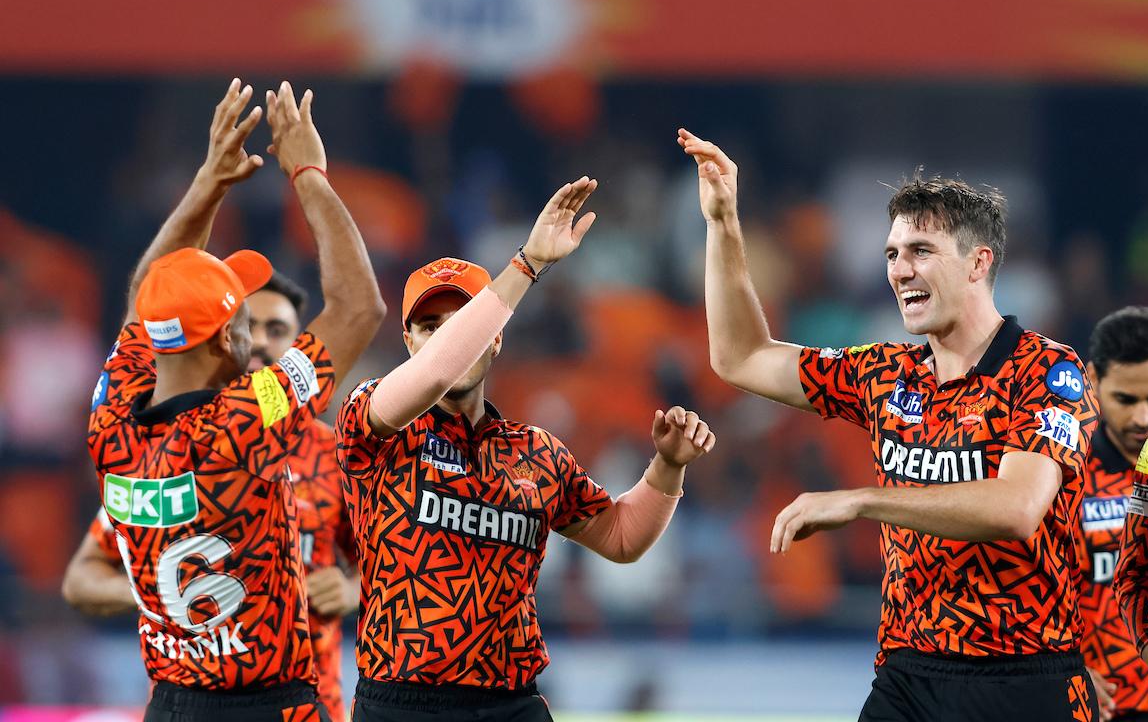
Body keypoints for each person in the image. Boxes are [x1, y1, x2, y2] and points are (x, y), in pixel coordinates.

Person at [679, 129, 1100, 720]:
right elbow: (740, 356)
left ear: (979, 262)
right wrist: (723, 223)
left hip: (1023, 678)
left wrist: (860, 502)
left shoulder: (1049, 370)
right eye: (891, 255)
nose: (900, 270)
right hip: (906, 674)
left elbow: (1017, 509)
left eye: (921, 251)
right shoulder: (883, 372)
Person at [336, 178, 717, 722]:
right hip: (402, 704)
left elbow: (622, 537)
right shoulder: (373, 425)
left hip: (512, 706)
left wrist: (669, 466)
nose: (447, 338)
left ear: (495, 336)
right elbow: (440, 369)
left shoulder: (537, 453)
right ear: (408, 344)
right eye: (429, 327)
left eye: (462, 322)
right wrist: (527, 263)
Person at [86, 79, 384, 721]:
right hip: (264, 706)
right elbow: (360, 307)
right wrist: (309, 174)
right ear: (228, 336)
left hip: (169, 705)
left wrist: (209, 183)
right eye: (246, 316)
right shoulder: (246, 418)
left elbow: (148, 293)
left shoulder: (110, 418)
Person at [66, 270, 360, 721]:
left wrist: (350, 589)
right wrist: (163, 594)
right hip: (199, 696)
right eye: (250, 324)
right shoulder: (165, 456)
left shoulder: (332, 452)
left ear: (297, 344)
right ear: (224, 338)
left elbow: (387, 560)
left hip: (311, 699)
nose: (259, 341)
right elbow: (80, 579)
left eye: (277, 330)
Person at [1076, 307, 1148, 722]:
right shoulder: (1062, 474)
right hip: (1103, 707)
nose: (1142, 418)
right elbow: (1023, 591)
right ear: (1094, 380)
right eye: (1125, 399)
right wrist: (1064, 670)